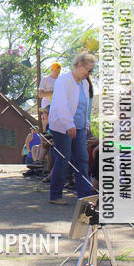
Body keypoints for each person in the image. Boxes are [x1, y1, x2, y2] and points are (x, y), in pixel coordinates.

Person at [48, 53, 96, 204]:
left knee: (82, 159)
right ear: (80, 66)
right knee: (64, 158)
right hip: (62, 126)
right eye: (89, 70)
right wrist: (69, 124)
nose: (90, 74)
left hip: (80, 127)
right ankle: (55, 195)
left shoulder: (85, 84)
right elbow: (61, 104)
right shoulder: (64, 80)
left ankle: (85, 196)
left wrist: (86, 124)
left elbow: (84, 107)